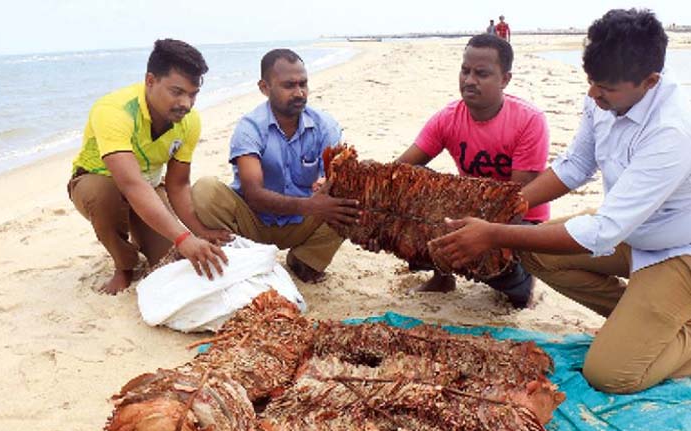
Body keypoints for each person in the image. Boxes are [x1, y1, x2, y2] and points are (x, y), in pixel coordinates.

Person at [430, 9, 691, 394]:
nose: (593, 94)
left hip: (676, 250)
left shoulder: (672, 130)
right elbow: (575, 166)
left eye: (605, 88)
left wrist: (495, 234)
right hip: (632, 232)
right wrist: (503, 211)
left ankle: (667, 330)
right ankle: (643, 322)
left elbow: (602, 230)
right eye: (591, 82)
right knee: (534, 250)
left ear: (650, 81)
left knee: (611, 375)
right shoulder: (604, 97)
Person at [397, 34, 549, 308]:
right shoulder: (448, 117)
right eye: (465, 71)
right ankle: (442, 279)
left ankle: (523, 282)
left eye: (481, 74)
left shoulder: (529, 120)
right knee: (413, 194)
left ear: (505, 79)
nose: (469, 80)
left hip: (522, 219)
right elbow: (400, 169)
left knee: (508, 286)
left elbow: (518, 200)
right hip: (473, 209)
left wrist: (478, 231)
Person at [68, 39, 230, 294]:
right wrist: (184, 238)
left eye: (193, 94)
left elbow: (177, 184)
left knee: (169, 260)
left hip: (150, 188)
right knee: (104, 194)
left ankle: (141, 236)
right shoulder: (114, 111)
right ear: (150, 81)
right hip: (99, 182)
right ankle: (124, 266)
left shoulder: (189, 122)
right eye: (177, 92)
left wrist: (198, 232)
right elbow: (130, 184)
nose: (186, 104)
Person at [192, 49, 359, 283]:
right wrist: (310, 206)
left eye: (303, 84)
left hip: (304, 224)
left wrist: (328, 183)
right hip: (253, 225)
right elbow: (253, 195)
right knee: (205, 189)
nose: (299, 92)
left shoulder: (325, 125)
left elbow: (339, 174)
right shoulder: (250, 128)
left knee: (353, 195)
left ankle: (306, 260)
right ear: (264, 87)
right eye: (289, 85)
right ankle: (243, 257)